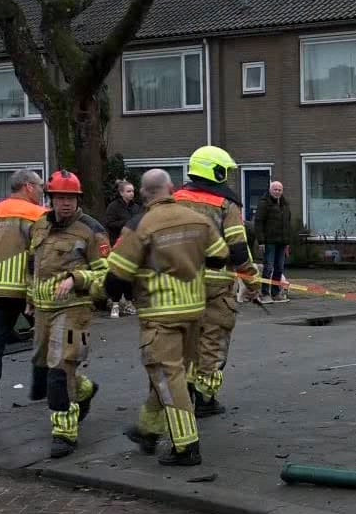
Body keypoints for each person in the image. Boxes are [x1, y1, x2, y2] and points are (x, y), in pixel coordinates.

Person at [105, 169, 229, 467]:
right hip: (194, 311)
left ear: (144, 194)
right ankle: (148, 430)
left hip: (160, 314)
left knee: (167, 376)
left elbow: (116, 278)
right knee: (168, 373)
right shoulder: (198, 220)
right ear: (171, 188)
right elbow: (220, 256)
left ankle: (186, 446)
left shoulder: (139, 225)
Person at [28, 171, 110, 458]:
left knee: (60, 368)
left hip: (75, 309)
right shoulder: (40, 225)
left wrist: (77, 278)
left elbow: (106, 275)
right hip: (42, 309)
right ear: (51, 198)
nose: (64, 203)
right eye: (60, 197)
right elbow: (35, 264)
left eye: (70, 198)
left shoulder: (92, 230)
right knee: (42, 363)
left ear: (77, 200)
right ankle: (84, 390)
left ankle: (64, 433)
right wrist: (29, 297)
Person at [172, 145, 256, 418]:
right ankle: (205, 398)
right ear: (215, 171)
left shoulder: (174, 200)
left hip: (179, 285)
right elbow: (238, 248)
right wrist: (252, 282)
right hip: (216, 287)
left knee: (185, 341)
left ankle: (182, 393)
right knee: (213, 340)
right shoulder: (225, 205)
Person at [0, 169, 46, 425]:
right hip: (26, 291)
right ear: (28, 187)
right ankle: (41, 390)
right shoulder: (38, 215)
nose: (42, 191)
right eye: (40, 186)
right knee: (44, 338)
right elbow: (39, 257)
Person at [102, 180, 143, 319]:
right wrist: (126, 224)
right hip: (117, 244)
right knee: (117, 275)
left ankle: (129, 302)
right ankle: (115, 303)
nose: (132, 194)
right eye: (128, 191)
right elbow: (108, 223)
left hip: (133, 245)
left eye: (132, 191)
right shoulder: (113, 207)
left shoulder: (136, 207)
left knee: (130, 275)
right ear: (121, 193)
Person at [253, 179, 294, 302]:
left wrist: (287, 242)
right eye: (275, 189)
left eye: (279, 190)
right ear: (270, 190)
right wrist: (261, 241)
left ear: (282, 191)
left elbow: (287, 223)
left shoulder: (285, 205)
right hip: (269, 241)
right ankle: (265, 293)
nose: (277, 192)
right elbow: (258, 223)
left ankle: (276, 293)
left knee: (279, 268)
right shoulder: (264, 203)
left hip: (282, 242)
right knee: (268, 268)